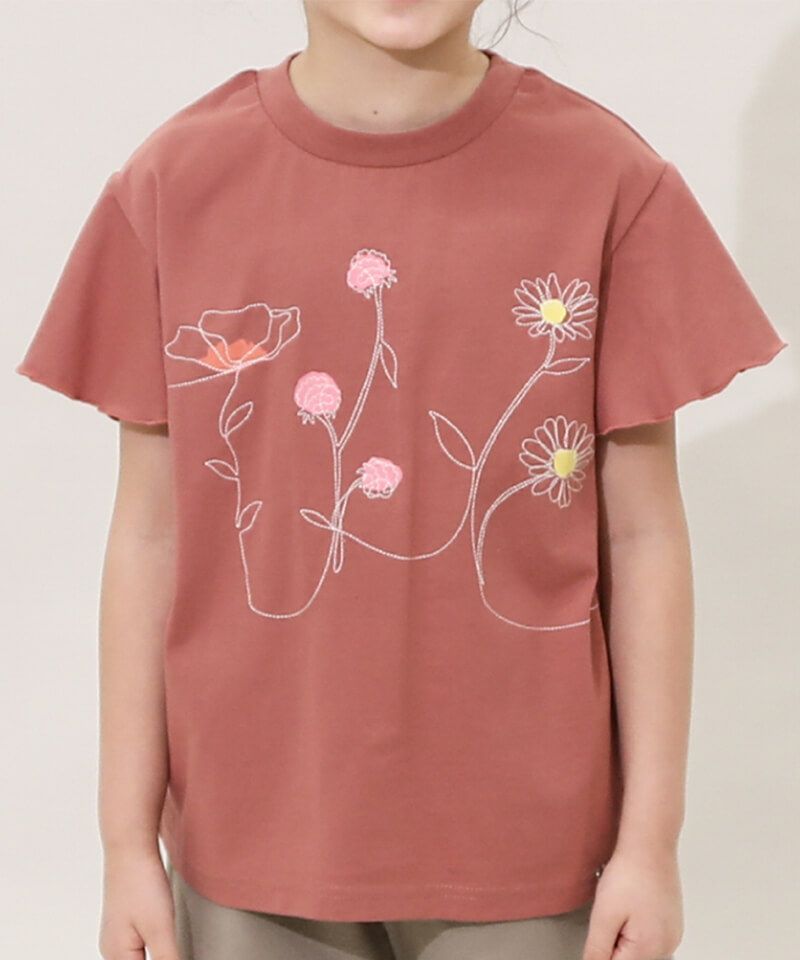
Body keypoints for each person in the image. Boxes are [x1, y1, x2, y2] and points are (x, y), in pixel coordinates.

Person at [14, 2, 788, 959]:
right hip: (252, 830)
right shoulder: (174, 183)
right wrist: (124, 843)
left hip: (526, 842)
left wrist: (651, 845)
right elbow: (149, 535)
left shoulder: (606, 181)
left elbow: (643, 539)